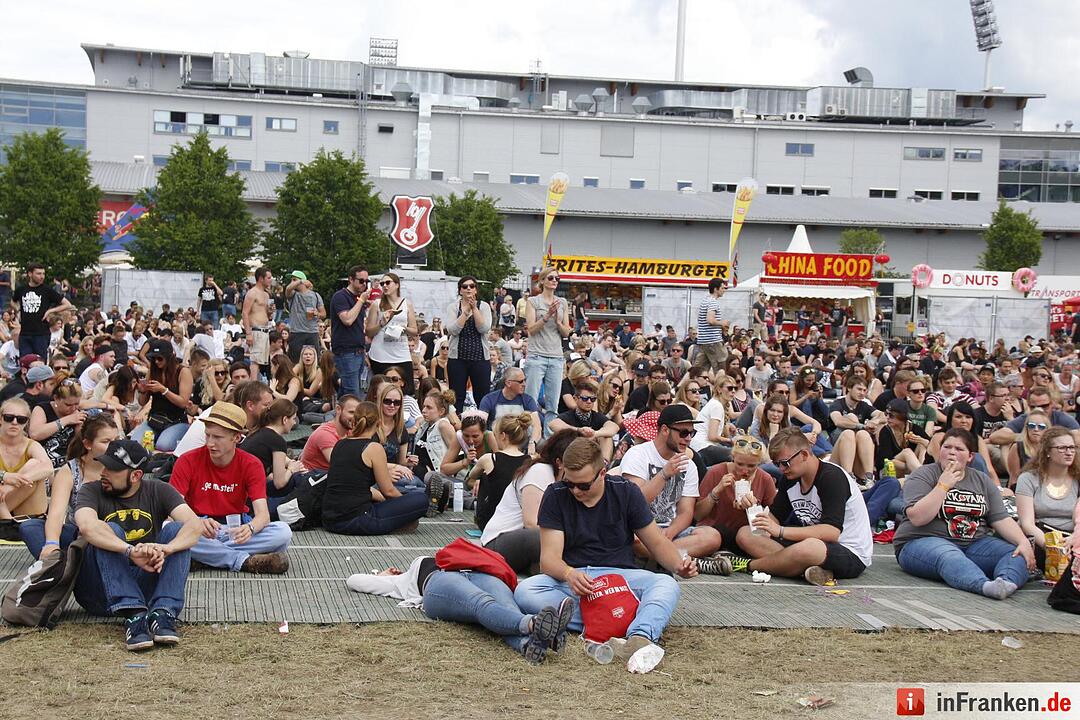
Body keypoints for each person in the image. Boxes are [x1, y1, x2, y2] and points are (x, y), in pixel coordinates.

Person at [513, 438, 696, 672]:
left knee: (667, 584)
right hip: (575, 577)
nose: (576, 491)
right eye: (570, 484)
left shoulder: (625, 492)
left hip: (620, 578)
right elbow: (549, 560)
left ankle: (639, 637)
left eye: (583, 485)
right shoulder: (556, 494)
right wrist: (568, 573)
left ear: (603, 473)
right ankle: (620, 620)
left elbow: (656, 542)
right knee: (525, 590)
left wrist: (680, 566)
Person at [72, 439, 203, 650]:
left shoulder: (159, 490)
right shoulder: (91, 490)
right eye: (103, 465)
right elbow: (87, 527)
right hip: (99, 592)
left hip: (145, 588)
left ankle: (163, 613)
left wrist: (165, 549)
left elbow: (195, 526)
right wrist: (130, 551)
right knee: (108, 529)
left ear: (135, 475)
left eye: (112, 468)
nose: (103, 472)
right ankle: (133, 614)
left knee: (177, 530)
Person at [346, 552, 572, 665]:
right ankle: (534, 624)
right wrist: (383, 576)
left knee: (507, 606)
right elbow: (354, 580)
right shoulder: (399, 582)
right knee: (481, 603)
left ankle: (529, 645)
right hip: (437, 584)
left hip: (477, 573)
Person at [893, 428, 1035, 599]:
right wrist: (942, 486)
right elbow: (917, 518)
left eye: (959, 449)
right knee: (948, 554)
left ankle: (1005, 583)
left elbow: (1001, 518)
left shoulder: (981, 480)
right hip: (921, 541)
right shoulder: (923, 475)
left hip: (974, 543)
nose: (952, 452)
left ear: (970, 457)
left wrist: (1022, 542)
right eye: (947, 447)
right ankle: (983, 585)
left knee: (1015, 552)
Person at [738, 427, 873, 586]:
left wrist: (780, 531)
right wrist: (753, 509)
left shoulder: (832, 477)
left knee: (809, 548)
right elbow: (771, 521)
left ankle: (747, 565)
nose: (781, 469)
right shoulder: (790, 478)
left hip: (848, 552)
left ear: (804, 455)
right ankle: (803, 568)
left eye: (785, 463)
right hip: (807, 546)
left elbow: (831, 532)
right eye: (777, 464)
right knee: (745, 533)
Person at [170, 401, 292, 574]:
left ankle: (206, 557)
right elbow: (172, 510)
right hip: (197, 527)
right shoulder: (187, 460)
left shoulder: (251, 464)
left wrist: (250, 528)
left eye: (217, 437)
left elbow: (263, 515)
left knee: (283, 532)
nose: (210, 443)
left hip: (234, 530)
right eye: (208, 435)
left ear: (236, 438)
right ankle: (243, 561)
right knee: (167, 529)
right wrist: (197, 522)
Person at [620, 404, 723, 560]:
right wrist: (664, 474)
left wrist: (669, 533)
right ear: (664, 430)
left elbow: (686, 512)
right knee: (635, 540)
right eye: (683, 433)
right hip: (640, 528)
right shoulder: (638, 454)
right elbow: (634, 502)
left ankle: (665, 557)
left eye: (691, 433)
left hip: (670, 531)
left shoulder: (689, 465)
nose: (688, 438)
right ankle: (682, 559)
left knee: (712, 536)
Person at [322, 401, 430, 535]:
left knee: (396, 502)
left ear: (354, 421)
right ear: (378, 423)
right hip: (358, 519)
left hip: (329, 519)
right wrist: (403, 505)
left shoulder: (340, 444)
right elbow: (388, 491)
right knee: (421, 499)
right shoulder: (374, 448)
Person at [19, 415, 119, 558]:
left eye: (116, 440)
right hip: (78, 533)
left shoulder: (123, 467)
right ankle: (59, 563)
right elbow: (57, 513)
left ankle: (72, 564)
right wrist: (51, 543)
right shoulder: (71, 470)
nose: (114, 446)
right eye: (106, 441)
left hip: (113, 531)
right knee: (29, 527)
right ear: (88, 444)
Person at [481, 430, 578, 573]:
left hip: (522, 544)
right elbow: (531, 523)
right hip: (498, 543)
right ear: (559, 462)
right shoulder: (541, 471)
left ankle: (539, 567)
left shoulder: (569, 483)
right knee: (547, 538)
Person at [693, 435, 777, 574]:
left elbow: (774, 523)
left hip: (745, 538)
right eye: (739, 464)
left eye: (752, 466)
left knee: (746, 535)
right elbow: (697, 515)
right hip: (715, 532)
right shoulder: (716, 472)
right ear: (732, 459)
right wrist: (716, 492)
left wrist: (754, 507)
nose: (745, 471)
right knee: (714, 536)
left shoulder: (765, 479)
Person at [1015, 427, 1080, 568]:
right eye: (1062, 448)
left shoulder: (1078, 479)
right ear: (1048, 452)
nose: (1069, 452)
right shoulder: (1028, 479)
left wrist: (1074, 540)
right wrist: (1053, 547)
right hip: (1041, 538)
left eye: (1072, 447)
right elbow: (1027, 524)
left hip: (1073, 538)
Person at [524, 267, 572, 430]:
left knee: (553, 405)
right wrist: (547, 316)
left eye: (557, 279)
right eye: (551, 278)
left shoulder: (562, 302)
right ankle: (530, 437)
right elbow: (530, 329)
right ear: (542, 281)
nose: (554, 281)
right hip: (537, 355)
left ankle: (548, 440)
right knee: (531, 401)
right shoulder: (533, 301)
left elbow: (566, 332)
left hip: (556, 356)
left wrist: (558, 322)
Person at [240, 399, 306, 516]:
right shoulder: (277, 440)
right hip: (247, 500)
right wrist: (291, 469)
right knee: (295, 481)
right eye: (293, 419)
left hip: (240, 491)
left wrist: (292, 463)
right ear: (285, 419)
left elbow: (281, 459)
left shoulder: (259, 432)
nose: (295, 423)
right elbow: (279, 483)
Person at [468, 414, 532, 530]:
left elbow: (471, 476)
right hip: (519, 521)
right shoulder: (531, 461)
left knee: (484, 475)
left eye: (495, 435)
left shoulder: (489, 458)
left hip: (492, 521)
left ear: (502, 436)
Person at [128, 340, 192, 452]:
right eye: (154, 358)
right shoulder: (152, 371)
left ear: (169, 357)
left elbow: (183, 402)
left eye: (160, 358)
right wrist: (143, 391)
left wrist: (163, 390)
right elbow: (142, 402)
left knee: (163, 445)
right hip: (155, 419)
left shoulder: (183, 372)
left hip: (176, 420)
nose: (156, 362)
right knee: (136, 443)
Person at [444, 275, 492, 414]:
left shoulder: (484, 306)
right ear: (460, 291)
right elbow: (453, 330)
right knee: (457, 395)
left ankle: (483, 424)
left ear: (476, 290)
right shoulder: (453, 307)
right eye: (465, 287)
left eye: (472, 286)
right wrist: (465, 313)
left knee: (482, 395)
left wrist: (475, 309)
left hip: (480, 357)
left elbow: (483, 328)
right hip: (458, 357)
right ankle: (456, 423)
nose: (469, 289)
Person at [365, 272, 418, 397]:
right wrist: (382, 324)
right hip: (381, 354)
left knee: (406, 390)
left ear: (397, 285)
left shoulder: (406, 303)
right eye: (382, 283)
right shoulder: (377, 304)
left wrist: (403, 328)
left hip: (401, 353)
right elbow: (368, 331)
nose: (384, 286)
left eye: (388, 283)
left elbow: (415, 330)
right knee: (381, 391)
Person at [828, 375, 885, 484]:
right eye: (859, 389)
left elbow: (882, 415)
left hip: (856, 451)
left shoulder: (863, 405)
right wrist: (861, 426)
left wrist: (874, 422)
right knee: (851, 426)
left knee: (863, 434)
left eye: (864, 390)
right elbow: (838, 421)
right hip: (837, 447)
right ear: (849, 388)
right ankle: (849, 476)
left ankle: (869, 477)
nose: (862, 393)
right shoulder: (838, 403)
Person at [13, 263, 73, 358]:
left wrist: (50, 311)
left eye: (43, 274)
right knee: (25, 362)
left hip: (41, 333)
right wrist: (18, 310)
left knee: (40, 363)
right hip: (25, 333)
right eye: (38, 274)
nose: (42, 276)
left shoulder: (47, 290)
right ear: (30, 274)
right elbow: (13, 302)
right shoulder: (21, 290)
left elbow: (67, 304)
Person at [28, 376, 86, 468]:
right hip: (42, 461)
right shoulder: (42, 409)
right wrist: (66, 420)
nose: (73, 408)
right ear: (56, 398)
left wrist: (80, 427)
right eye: (68, 404)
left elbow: (82, 444)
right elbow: (35, 434)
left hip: (67, 464)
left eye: (76, 404)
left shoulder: (77, 414)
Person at [477, 367, 542, 444]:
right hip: (496, 443)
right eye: (521, 381)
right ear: (508, 383)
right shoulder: (489, 399)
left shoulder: (528, 400)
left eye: (525, 380)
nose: (524, 384)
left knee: (541, 444)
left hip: (521, 444)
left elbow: (537, 426)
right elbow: (481, 424)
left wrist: (532, 443)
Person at [300, 394, 360, 473]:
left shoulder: (351, 431)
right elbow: (340, 465)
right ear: (338, 409)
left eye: (358, 414)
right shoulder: (325, 434)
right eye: (351, 412)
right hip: (313, 479)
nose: (355, 417)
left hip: (330, 478)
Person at [284, 272, 324, 362]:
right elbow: (288, 289)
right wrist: (300, 281)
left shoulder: (315, 295)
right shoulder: (293, 294)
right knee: (295, 362)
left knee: (313, 362)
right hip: (296, 332)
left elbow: (323, 313)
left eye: (294, 279)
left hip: (312, 333)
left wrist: (317, 313)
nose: (292, 282)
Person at [242, 266, 273, 379]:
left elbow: (265, 314)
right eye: (268, 278)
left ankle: (258, 382)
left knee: (262, 361)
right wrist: (248, 333)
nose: (270, 280)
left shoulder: (266, 294)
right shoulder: (252, 293)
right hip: (255, 330)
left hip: (265, 329)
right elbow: (245, 313)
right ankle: (252, 384)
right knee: (255, 361)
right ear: (261, 278)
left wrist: (269, 312)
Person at [692, 277, 728, 372]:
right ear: (716, 289)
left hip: (704, 341)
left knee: (697, 371)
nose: (724, 290)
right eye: (722, 288)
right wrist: (722, 323)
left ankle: (680, 387)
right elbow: (710, 320)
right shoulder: (713, 302)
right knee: (721, 370)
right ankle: (722, 387)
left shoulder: (705, 300)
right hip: (713, 341)